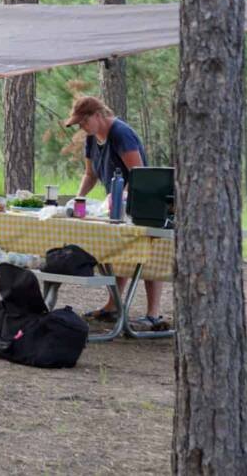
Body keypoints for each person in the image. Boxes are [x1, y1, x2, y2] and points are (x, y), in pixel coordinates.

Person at [65, 95, 166, 331]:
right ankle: (114, 304)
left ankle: (153, 313)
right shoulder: (92, 139)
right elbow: (90, 174)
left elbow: (139, 173)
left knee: (147, 254)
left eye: (83, 122)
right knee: (116, 249)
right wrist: (79, 197)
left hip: (143, 201)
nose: (82, 127)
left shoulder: (121, 133)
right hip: (117, 203)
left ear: (97, 115)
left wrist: (119, 196)